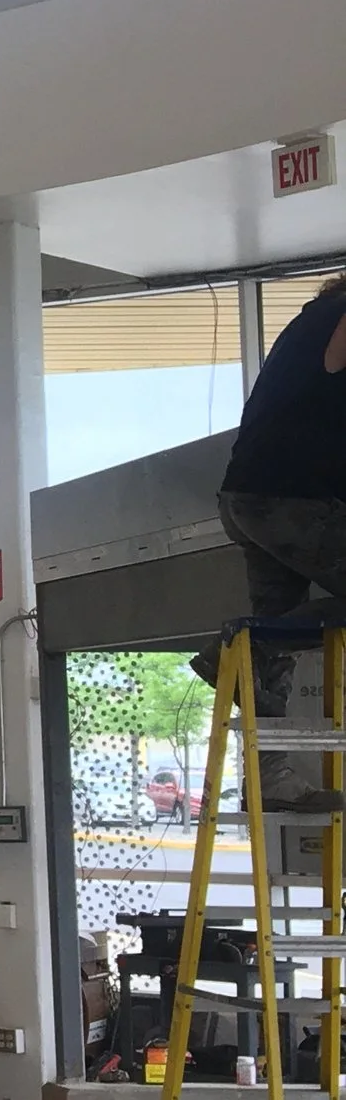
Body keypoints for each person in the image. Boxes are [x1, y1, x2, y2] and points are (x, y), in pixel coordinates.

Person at [214, 274, 346, 797]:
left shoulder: (304, 328)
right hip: (292, 502)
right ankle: (234, 645)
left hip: (248, 499)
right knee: (268, 637)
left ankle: (270, 779)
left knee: (274, 651)